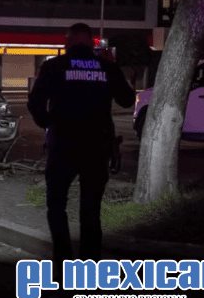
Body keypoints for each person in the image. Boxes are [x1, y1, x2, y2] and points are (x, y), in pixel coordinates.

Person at [28, 23, 135, 262]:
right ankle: (90, 263)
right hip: (97, 148)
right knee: (91, 209)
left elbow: (35, 103)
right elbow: (127, 100)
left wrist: (49, 124)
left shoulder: (54, 67)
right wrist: (115, 68)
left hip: (63, 146)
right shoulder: (106, 67)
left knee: (57, 205)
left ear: (67, 42)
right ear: (92, 42)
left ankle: (63, 259)